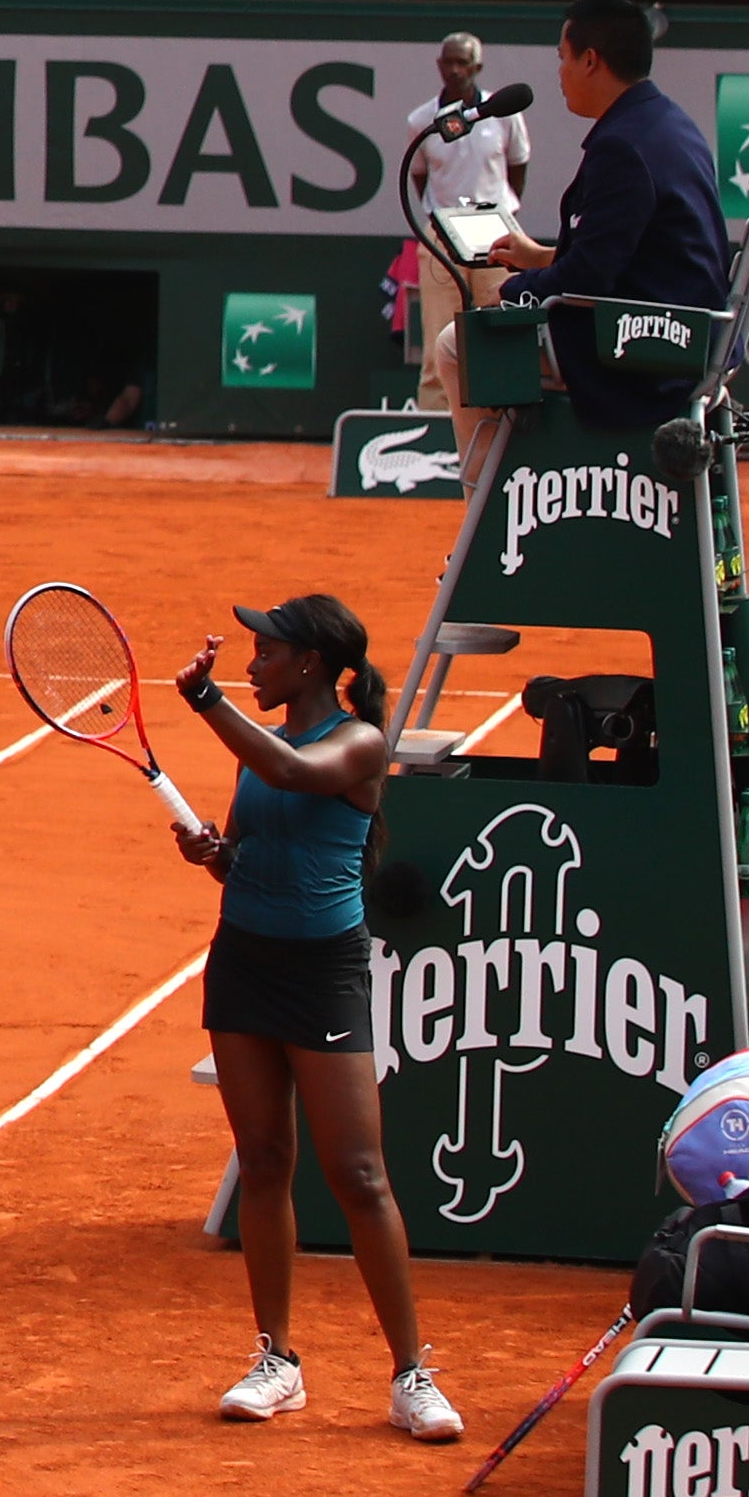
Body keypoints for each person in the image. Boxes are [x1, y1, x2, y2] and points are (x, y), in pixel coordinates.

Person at [175, 593, 455, 1444]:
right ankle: (276, 1361)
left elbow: (294, 776)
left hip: (322, 974)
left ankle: (411, 1374)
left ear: (309, 664)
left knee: (359, 1174)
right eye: (249, 654)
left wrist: (207, 699)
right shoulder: (259, 747)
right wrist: (217, 857)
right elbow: (255, 845)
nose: (251, 664)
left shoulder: (358, 742)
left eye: (264, 653)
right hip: (243, 962)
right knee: (262, 1161)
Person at [450, 0, 728, 484]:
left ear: (591, 61)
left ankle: (488, 515)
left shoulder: (621, 147)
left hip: (646, 351)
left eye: (563, 58)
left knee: (460, 345)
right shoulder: (668, 122)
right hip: (686, 331)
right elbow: (629, 251)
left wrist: (512, 292)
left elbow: (590, 279)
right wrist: (539, 258)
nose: (559, 73)